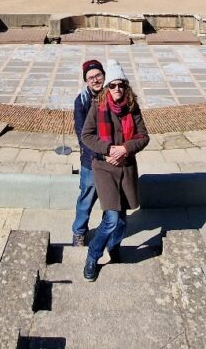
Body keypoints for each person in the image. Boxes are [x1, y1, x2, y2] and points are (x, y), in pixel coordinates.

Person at [80, 59, 149, 282]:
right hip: (104, 168)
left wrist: (125, 149)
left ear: (126, 86)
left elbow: (143, 136)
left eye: (121, 85)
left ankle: (114, 247)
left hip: (126, 168)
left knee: (122, 220)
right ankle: (93, 255)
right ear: (107, 87)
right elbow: (87, 136)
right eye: (113, 85)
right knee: (111, 218)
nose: (117, 89)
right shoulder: (97, 106)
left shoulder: (131, 106)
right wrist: (109, 149)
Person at [72, 59, 105, 246]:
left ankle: (106, 231)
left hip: (110, 159)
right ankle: (79, 232)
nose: (95, 80)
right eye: (91, 77)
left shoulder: (112, 95)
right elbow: (81, 133)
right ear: (86, 81)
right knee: (86, 199)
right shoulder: (82, 101)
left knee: (111, 200)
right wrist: (98, 153)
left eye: (98, 75)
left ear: (104, 75)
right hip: (91, 159)